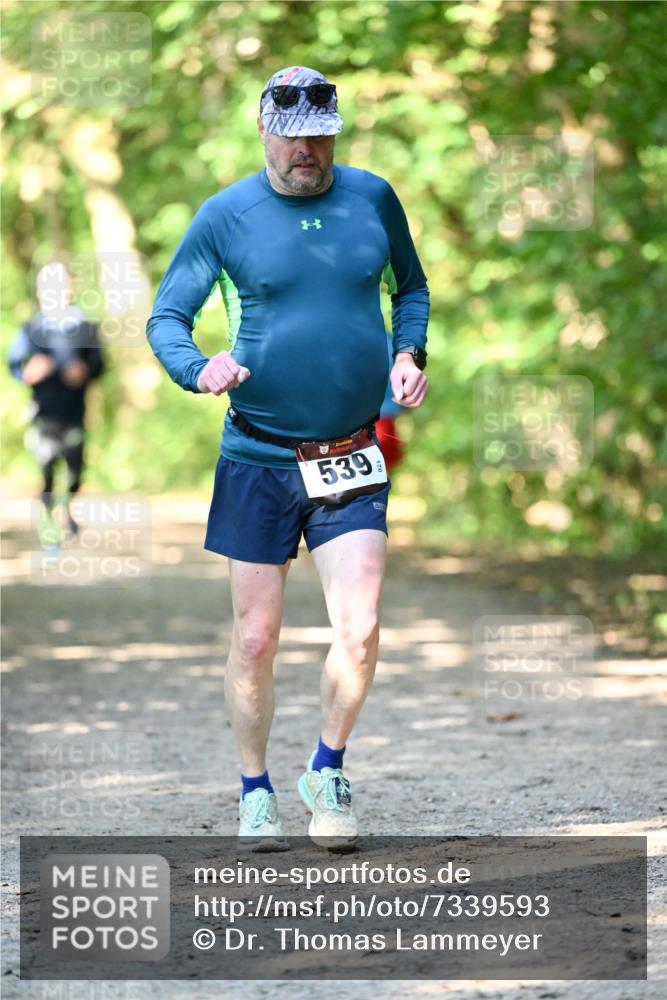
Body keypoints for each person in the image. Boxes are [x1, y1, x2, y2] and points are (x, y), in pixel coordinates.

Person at [147, 65, 429, 851]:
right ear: (263, 130)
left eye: (320, 135)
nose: (305, 150)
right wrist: (197, 367)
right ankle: (254, 787)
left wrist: (409, 351)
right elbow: (168, 316)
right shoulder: (226, 215)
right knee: (255, 639)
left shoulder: (372, 198)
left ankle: (327, 769)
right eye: (290, 135)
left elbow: (411, 288)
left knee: (362, 625)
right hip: (258, 456)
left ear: (335, 130)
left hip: (349, 454)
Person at [8, 262, 104, 538]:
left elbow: (98, 364)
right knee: (48, 463)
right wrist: (29, 372)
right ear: (40, 292)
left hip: (74, 410)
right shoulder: (31, 328)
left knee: (75, 469)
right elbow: (15, 365)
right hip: (43, 412)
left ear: (71, 288)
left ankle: (68, 508)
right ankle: (49, 513)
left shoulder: (84, 326)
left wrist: (85, 371)